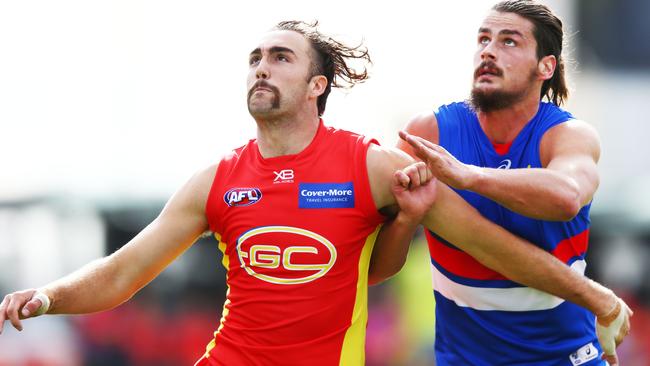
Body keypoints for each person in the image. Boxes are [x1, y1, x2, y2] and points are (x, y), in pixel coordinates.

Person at [0, 20, 629, 366]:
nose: (261, 68)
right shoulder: (216, 179)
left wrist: (593, 293)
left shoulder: (373, 166)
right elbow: (123, 272)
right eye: (255, 58)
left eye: (280, 57)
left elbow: (483, 242)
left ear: (316, 86)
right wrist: (48, 296)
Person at [375, 1, 632, 365]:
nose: (489, 51)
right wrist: (404, 220)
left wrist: (470, 176)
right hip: (463, 359)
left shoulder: (566, 134)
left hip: (565, 356)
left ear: (547, 66)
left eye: (509, 42)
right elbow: (378, 253)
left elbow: (567, 196)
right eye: (483, 39)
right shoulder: (428, 132)